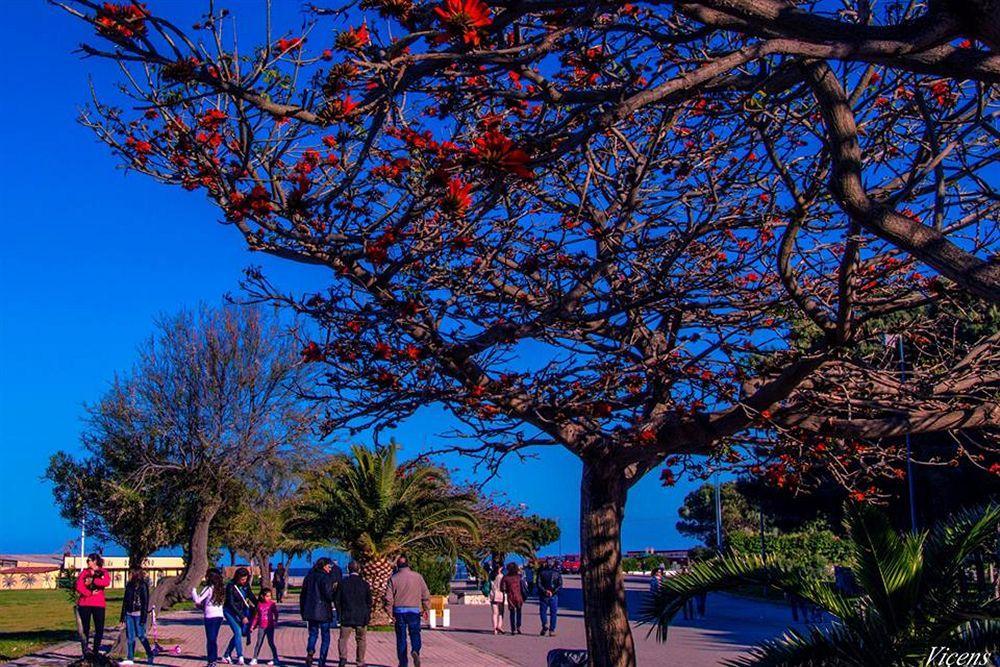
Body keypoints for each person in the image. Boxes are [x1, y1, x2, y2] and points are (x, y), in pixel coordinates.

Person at [384, 555, 430, 667]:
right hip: (414, 611)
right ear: (408, 564)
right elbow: (425, 594)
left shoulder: (393, 578)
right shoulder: (418, 577)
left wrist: (389, 612)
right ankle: (415, 650)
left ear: (397, 565)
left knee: (401, 638)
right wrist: (426, 608)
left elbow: (388, 598)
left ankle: (403, 663)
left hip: (399, 612)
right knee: (415, 634)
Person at [301, 557, 341, 667]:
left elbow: (303, 595)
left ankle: (310, 650)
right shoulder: (325, 578)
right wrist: (334, 591)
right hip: (323, 611)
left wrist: (303, 611)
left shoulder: (309, 577)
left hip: (311, 611)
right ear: (324, 566)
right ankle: (321, 661)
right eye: (329, 567)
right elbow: (328, 595)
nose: (330, 569)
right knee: (325, 637)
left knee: (313, 634)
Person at [335, 560, 372, 667]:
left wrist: (339, 613)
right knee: (361, 639)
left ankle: (343, 658)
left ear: (348, 569)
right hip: (361, 617)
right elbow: (369, 602)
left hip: (346, 616)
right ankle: (360, 661)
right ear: (359, 570)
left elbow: (337, 600)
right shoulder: (365, 584)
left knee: (343, 639)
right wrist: (367, 614)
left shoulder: (342, 583)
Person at [75, 552, 112, 658]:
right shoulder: (84, 573)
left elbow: (106, 582)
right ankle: (85, 651)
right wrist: (89, 593)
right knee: (85, 628)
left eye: (89, 560)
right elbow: (79, 586)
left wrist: (93, 580)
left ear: (95, 561)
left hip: (98, 604)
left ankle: (95, 651)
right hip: (85, 603)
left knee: (99, 628)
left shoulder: (103, 572)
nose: (87, 562)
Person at [120, 567, 155, 665]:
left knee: (141, 635)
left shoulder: (143, 586)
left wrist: (144, 618)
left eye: (130, 573)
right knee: (130, 637)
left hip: (139, 614)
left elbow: (145, 602)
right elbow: (125, 601)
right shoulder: (129, 585)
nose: (129, 575)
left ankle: (150, 654)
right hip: (129, 614)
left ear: (135, 574)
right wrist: (122, 616)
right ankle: (130, 657)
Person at [192, 568, 227, 667]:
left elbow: (198, 600)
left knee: (210, 639)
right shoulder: (221, 589)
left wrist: (193, 590)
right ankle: (213, 660)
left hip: (210, 617)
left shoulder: (209, 588)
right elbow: (211, 603)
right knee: (213, 638)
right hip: (219, 616)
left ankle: (212, 661)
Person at [223, 567, 257, 664]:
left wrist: (259, 605)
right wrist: (242, 617)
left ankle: (226, 655)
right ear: (237, 577)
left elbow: (251, 596)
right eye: (242, 579)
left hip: (241, 610)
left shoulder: (246, 585)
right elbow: (231, 603)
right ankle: (240, 656)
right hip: (229, 611)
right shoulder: (230, 586)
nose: (243, 581)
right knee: (237, 631)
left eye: (245, 579)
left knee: (241, 632)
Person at [249, 588, 279, 666]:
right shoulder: (259, 605)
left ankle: (275, 658)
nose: (269, 598)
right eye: (267, 596)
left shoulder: (272, 604)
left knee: (271, 642)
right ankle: (255, 658)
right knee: (259, 642)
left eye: (270, 596)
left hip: (270, 626)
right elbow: (256, 617)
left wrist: (276, 620)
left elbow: (276, 613)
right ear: (262, 596)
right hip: (261, 627)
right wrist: (252, 626)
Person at [537, 558, 562, 637]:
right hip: (553, 595)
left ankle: (545, 624)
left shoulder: (541, 572)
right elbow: (560, 584)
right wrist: (553, 592)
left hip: (544, 595)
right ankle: (552, 630)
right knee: (553, 613)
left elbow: (538, 584)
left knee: (543, 611)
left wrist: (545, 591)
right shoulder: (557, 573)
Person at [500, 563, 525, 635]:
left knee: (512, 613)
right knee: (519, 612)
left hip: (511, 596)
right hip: (519, 596)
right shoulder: (519, 577)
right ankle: (518, 626)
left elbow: (503, 588)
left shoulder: (505, 578)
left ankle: (513, 629)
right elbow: (523, 586)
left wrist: (507, 590)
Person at [487, 564, 506, 634]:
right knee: (501, 612)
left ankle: (494, 629)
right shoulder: (501, 576)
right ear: (500, 568)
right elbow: (504, 586)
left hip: (492, 594)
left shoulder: (491, 575)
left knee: (494, 613)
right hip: (500, 595)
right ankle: (499, 626)